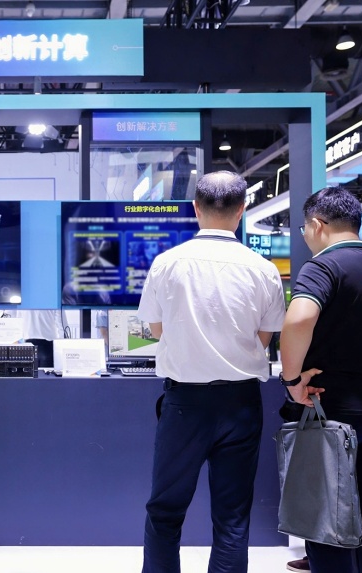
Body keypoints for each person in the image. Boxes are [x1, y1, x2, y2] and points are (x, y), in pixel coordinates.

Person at [137, 171, 286, 573]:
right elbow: (264, 338)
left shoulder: (167, 263)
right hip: (241, 403)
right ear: (242, 211)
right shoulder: (263, 269)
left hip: (184, 402)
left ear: (195, 209)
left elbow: (156, 329)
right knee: (233, 515)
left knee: (165, 511)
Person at [280, 186, 362, 573]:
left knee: (327, 510)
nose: (306, 236)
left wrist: (292, 381)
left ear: (318, 224)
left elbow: (299, 319)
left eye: (305, 228)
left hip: (329, 409)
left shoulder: (322, 268)